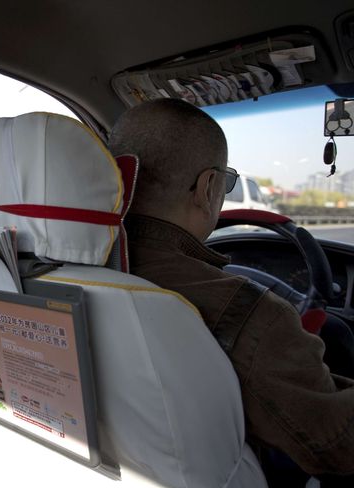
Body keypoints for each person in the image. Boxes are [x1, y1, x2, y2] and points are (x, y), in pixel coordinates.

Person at [108, 98, 354, 484]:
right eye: (226, 182)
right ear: (208, 188)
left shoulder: (61, 272)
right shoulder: (249, 313)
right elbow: (336, 445)